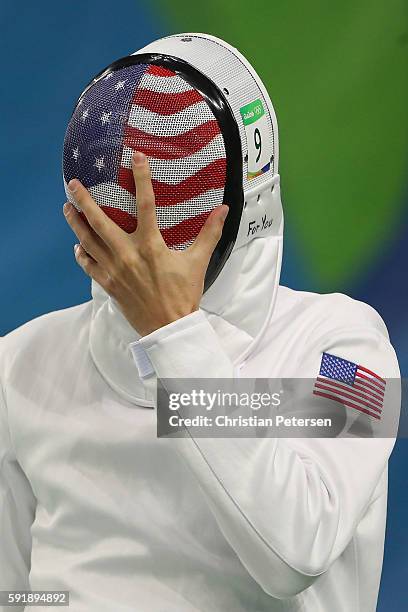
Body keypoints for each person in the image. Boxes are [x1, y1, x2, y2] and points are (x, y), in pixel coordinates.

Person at [0, 33, 400, 612]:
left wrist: (174, 334)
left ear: (246, 189)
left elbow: (295, 553)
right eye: (131, 185)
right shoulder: (18, 363)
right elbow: (15, 592)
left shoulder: (354, 348)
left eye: (177, 185)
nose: (150, 213)